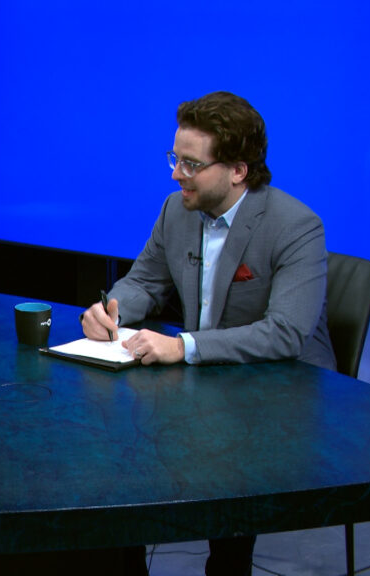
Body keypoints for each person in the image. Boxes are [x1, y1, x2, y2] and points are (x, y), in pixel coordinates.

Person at [80, 92, 336, 576]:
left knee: (222, 454)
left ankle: (229, 563)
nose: (177, 174)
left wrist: (183, 345)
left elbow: (285, 334)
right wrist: (110, 310)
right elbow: (143, 281)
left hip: (281, 392)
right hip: (209, 380)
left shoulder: (297, 227)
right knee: (117, 444)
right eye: (175, 159)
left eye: (192, 164)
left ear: (238, 170)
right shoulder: (177, 210)